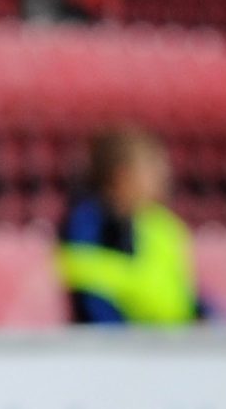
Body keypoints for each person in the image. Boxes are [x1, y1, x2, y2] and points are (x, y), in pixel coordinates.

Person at [57, 128, 198, 326]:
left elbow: (181, 293)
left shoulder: (162, 225)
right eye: (151, 167)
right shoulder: (88, 221)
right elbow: (89, 290)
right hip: (116, 347)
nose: (164, 174)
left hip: (164, 345)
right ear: (122, 175)